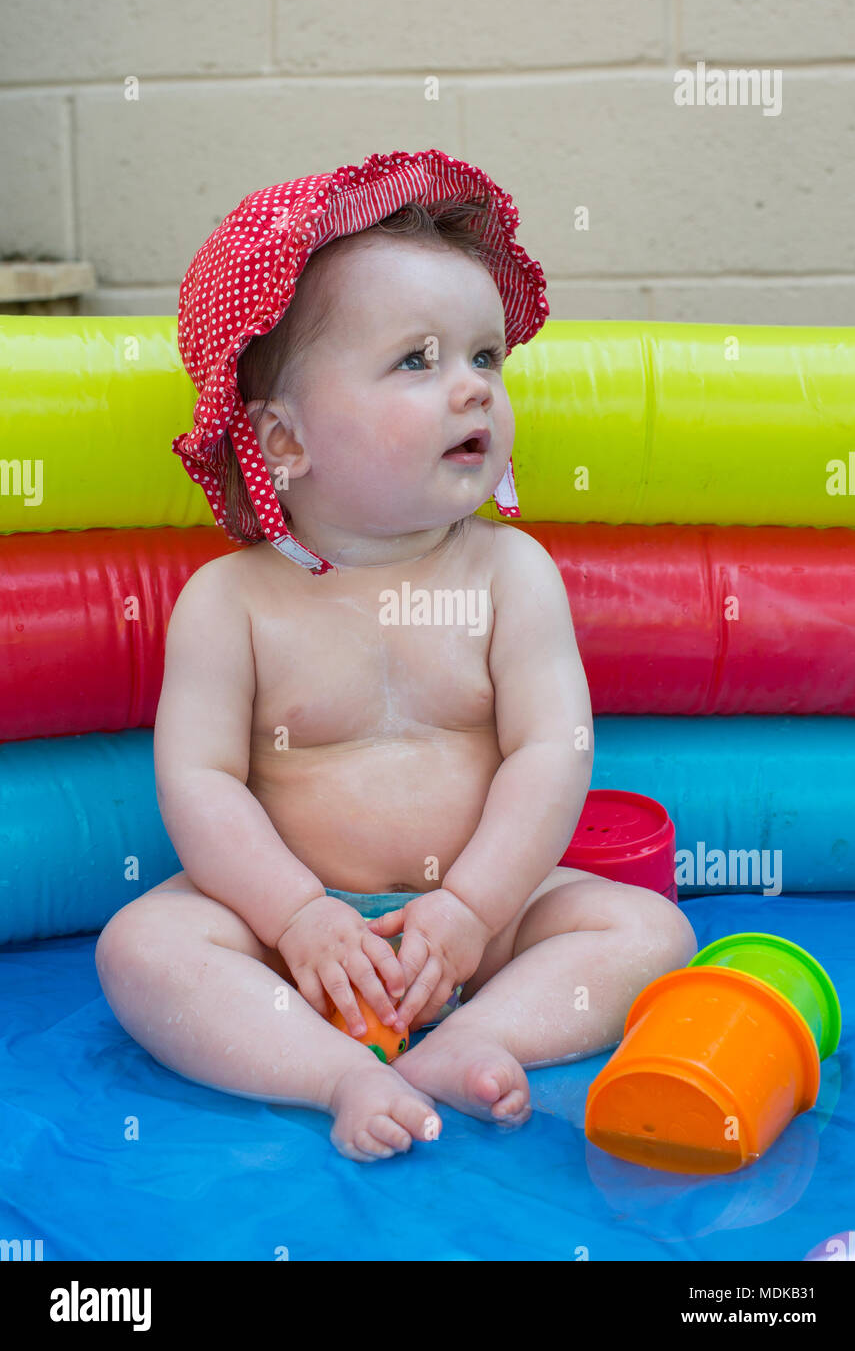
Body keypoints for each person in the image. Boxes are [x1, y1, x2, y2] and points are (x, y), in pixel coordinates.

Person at [95, 149, 696, 1163]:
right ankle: (330, 1070)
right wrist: (294, 918)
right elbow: (199, 781)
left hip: (478, 924)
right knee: (142, 949)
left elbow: (552, 749)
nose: (470, 390)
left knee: (648, 935)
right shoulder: (230, 602)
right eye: (416, 360)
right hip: (291, 934)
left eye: (484, 359)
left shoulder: (512, 575)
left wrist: (472, 906)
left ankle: (469, 1039)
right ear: (282, 441)